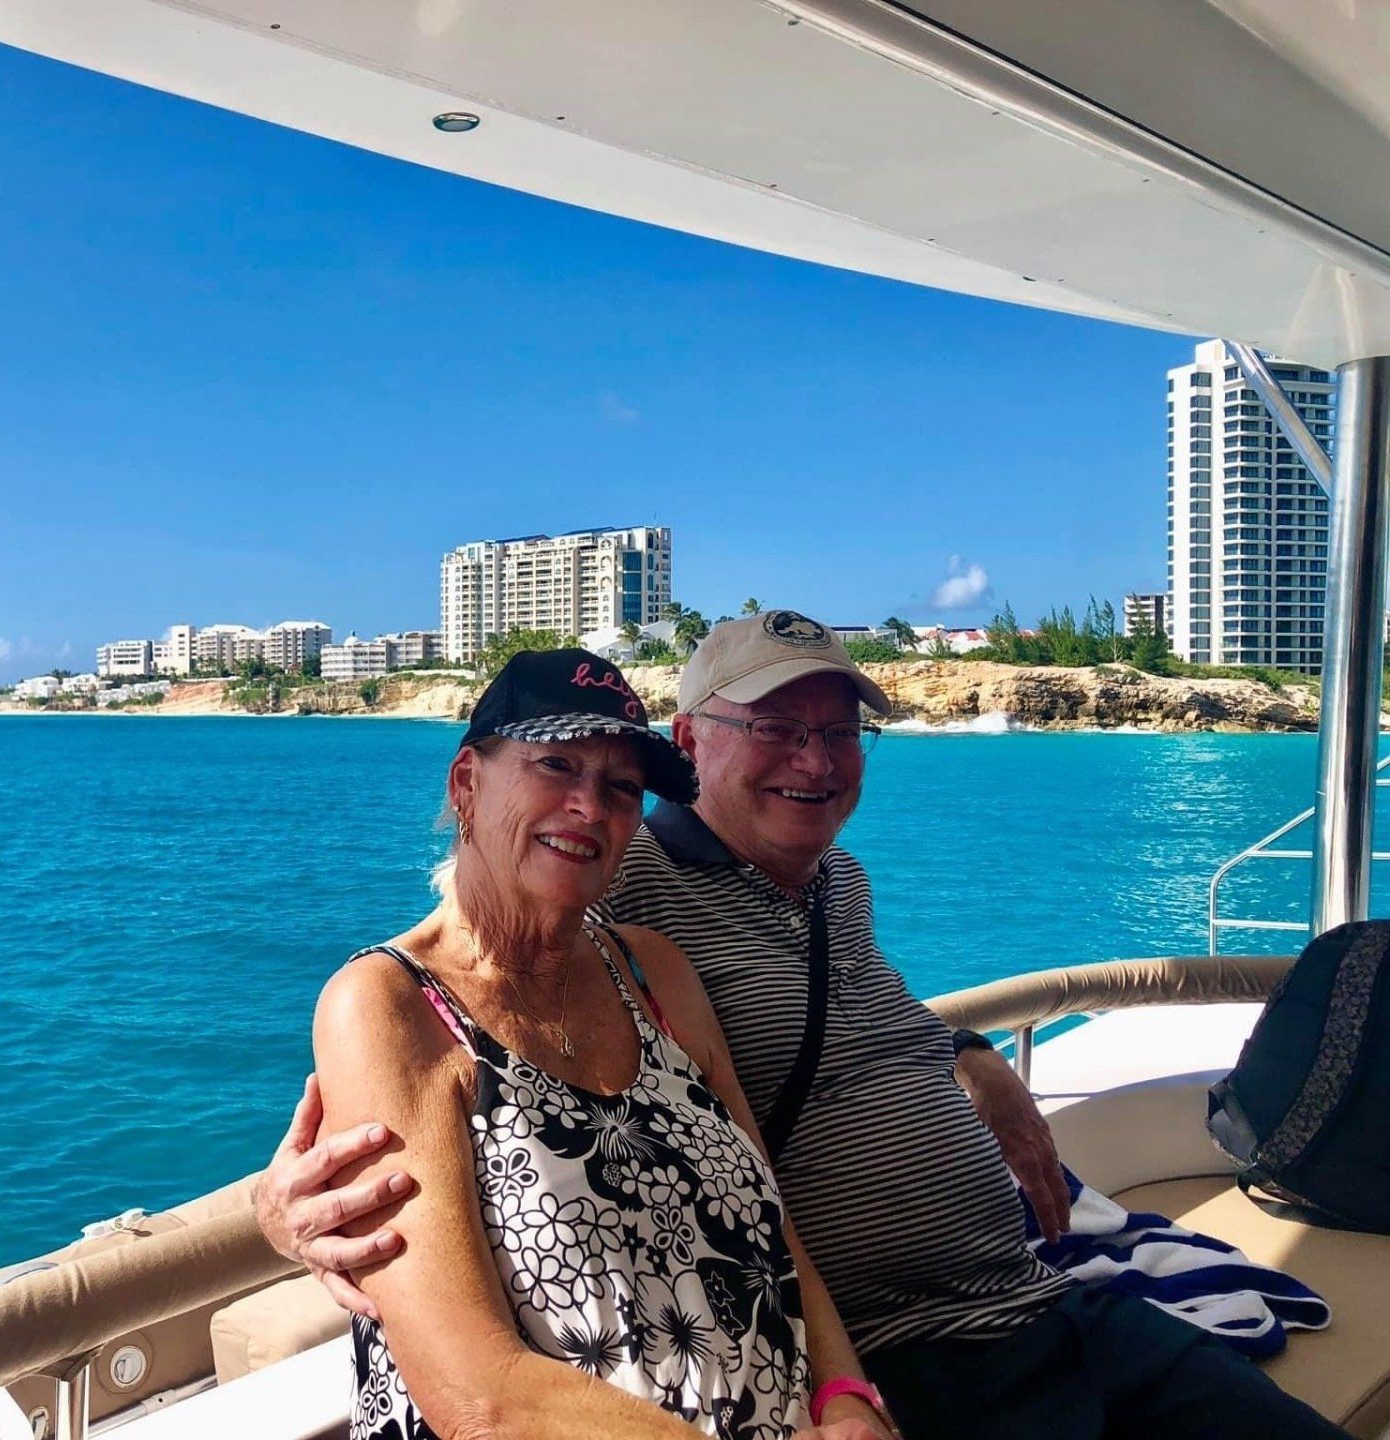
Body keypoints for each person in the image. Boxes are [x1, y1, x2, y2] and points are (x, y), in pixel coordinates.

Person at [263, 613, 1347, 1440]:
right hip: (917, 1353)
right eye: (779, 729)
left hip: (1029, 1306)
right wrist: (281, 1204)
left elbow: (838, 1064)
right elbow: (436, 1009)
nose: (817, 760)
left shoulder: (805, 900)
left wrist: (973, 1056)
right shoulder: (620, 884)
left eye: (840, 733)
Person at [306, 647, 892, 1440]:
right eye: (555, 765)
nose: (591, 805)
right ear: (467, 784)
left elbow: (774, 1230)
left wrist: (847, 1399)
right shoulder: (389, 1005)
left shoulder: (656, 973)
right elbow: (477, 1396)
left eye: (621, 787)